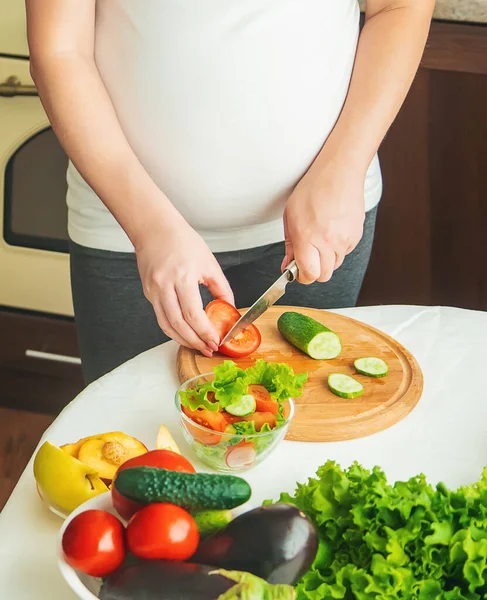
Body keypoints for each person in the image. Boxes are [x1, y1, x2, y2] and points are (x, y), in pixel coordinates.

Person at [26, 0, 434, 384]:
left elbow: (400, 7)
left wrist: (343, 169)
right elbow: (60, 50)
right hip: (128, 232)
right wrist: (148, 227)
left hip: (322, 218)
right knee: (127, 436)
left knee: (303, 427)